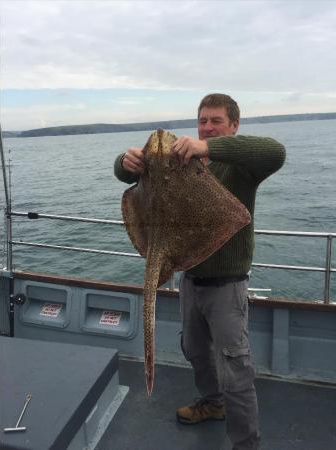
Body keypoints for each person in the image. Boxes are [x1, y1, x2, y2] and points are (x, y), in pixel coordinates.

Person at [114, 93, 286, 450]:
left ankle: (246, 443)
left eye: (216, 121)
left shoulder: (239, 166)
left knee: (234, 365)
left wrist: (210, 149)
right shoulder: (181, 162)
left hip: (227, 284)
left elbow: (275, 152)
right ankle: (213, 403)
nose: (207, 127)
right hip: (190, 277)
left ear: (234, 125)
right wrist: (125, 161)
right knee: (193, 349)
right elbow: (131, 176)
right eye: (202, 121)